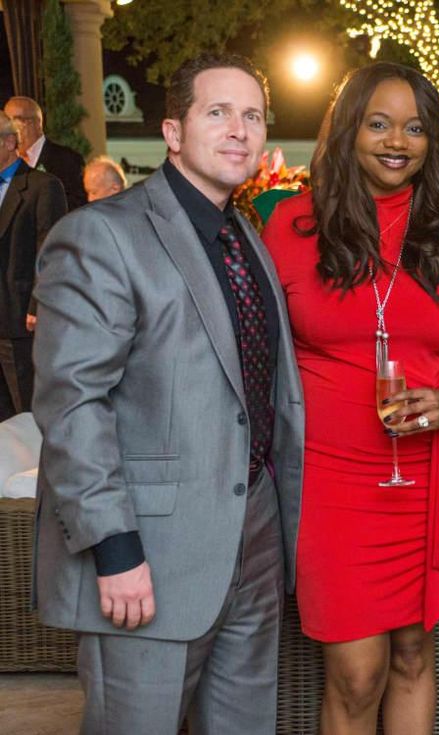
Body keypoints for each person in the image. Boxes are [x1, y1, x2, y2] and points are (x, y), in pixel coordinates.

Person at [32, 53, 305, 734]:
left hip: (256, 544)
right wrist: (114, 547)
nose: (239, 129)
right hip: (145, 553)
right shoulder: (102, 234)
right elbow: (71, 403)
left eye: (252, 115)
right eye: (218, 112)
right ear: (174, 132)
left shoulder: (246, 238)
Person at [261, 62, 439, 734]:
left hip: (423, 473)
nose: (398, 141)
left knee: (414, 654)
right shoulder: (291, 225)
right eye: (380, 123)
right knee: (356, 672)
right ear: (349, 129)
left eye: (416, 127)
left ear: (432, 140)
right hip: (332, 476)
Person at [0, 111, 66, 422]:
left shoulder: (42, 186)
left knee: (26, 412)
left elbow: (51, 250)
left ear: (9, 142)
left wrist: (39, 304)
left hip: (20, 320)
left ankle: (35, 470)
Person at [3, 96, 86, 210]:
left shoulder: (66, 160)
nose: (7, 130)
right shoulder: (6, 163)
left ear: (35, 123)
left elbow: (76, 206)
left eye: (12, 122)